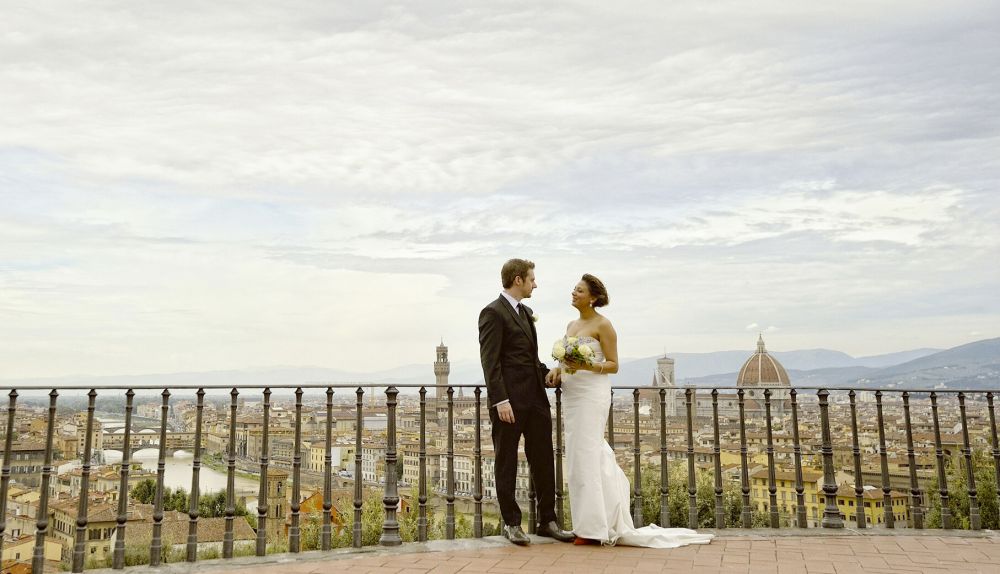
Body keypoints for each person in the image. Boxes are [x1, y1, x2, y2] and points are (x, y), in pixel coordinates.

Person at [554, 273, 714, 548]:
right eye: (573, 289)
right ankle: (594, 521)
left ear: (593, 297)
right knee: (582, 457)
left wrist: (585, 366)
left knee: (588, 455)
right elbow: (568, 362)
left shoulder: (604, 325)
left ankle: (593, 529)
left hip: (592, 394)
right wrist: (557, 370)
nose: (573, 293)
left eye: (579, 290)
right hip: (573, 394)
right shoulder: (570, 325)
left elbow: (614, 365)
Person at [478, 259, 575, 546]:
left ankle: (548, 521)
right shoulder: (492, 312)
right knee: (506, 461)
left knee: (544, 459)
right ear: (518, 280)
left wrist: (548, 374)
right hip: (509, 402)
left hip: (535, 399)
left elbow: (529, 359)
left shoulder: (526, 312)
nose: (536, 284)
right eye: (532, 279)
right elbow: (490, 362)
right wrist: (500, 400)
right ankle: (511, 523)